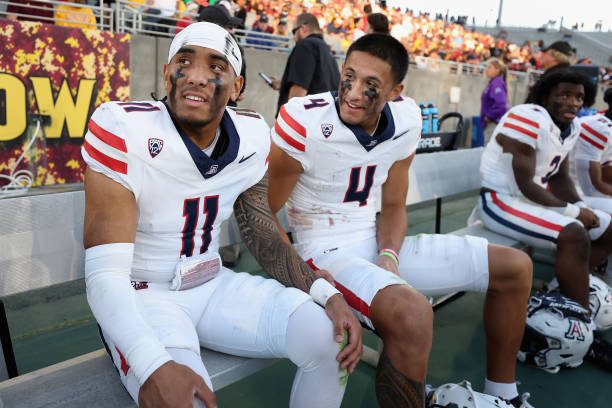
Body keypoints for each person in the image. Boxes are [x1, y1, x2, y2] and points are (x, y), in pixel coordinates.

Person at [81, 22, 362, 408]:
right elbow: (103, 276)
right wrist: (151, 365)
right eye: (184, 61)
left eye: (216, 67)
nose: (196, 76)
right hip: (143, 295)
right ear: (166, 73)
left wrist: (325, 292)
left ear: (238, 86)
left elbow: (263, 235)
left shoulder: (251, 135)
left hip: (213, 284)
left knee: (330, 337)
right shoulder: (124, 127)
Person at [268, 33, 533, 408]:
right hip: (322, 251)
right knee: (412, 314)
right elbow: (264, 213)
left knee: (516, 268)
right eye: (349, 76)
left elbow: (393, 205)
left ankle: (504, 395)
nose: (354, 92)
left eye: (370, 85)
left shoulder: (407, 119)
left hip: (376, 241)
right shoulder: (304, 118)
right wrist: (306, 279)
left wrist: (389, 255)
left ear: (396, 92)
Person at [474, 69, 612, 368]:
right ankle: (584, 327)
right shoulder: (527, 116)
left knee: (607, 227)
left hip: (530, 203)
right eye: (563, 94)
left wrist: (581, 206)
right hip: (499, 201)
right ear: (545, 94)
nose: (572, 102)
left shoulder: (570, 127)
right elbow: (525, 183)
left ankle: (559, 297)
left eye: (578, 96)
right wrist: (574, 212)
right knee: (573, 232)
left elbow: (560, 178)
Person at [270, 13, 340, 115]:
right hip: (323, 120)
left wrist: (289, 120)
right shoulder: (326, 50)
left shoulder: (305, 45)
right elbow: (318, 85)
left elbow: (299, 91)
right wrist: (283, 85)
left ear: (303, 28)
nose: (293, 37)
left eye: (294, 31)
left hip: (303, 123)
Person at [480, 58, 508, 144]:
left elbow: (502, 105)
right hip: (489, 124)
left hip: (493, 124)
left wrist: (489, 116)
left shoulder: (497, 83)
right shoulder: (492, 83)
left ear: (497, 70)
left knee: (489, 152)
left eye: (490, 67)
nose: (487, 70)